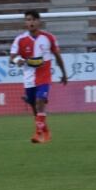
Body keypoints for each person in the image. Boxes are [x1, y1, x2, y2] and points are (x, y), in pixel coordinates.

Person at [9, 11, 68, 143]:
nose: (30, 22)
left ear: (38, 21)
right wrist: (18, 60)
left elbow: (58, 56)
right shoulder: (20, 39)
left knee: (40, 101)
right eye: (28, 20)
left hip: (44, 77)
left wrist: (64, 74)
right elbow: (11, 58)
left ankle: (38, 134)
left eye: (33, 20)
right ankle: (46, 131)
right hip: (29, 80)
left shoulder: (49, 38)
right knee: (36, 109)